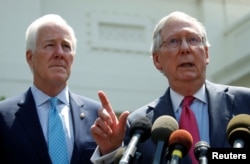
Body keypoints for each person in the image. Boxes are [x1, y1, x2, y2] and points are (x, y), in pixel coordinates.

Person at [90, 11, 250, 164]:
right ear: (157, 60)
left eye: (193, 39)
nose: (185, 48)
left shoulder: (245, 103)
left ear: (206, 53)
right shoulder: (139, 126)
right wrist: (110, 151)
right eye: (173, 41)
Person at [0, 14, 101, 164]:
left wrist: (111, 150)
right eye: (50, 45)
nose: (59, 53)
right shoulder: (3, 116)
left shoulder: (97, 116)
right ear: (30, 57)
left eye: (66, 46)